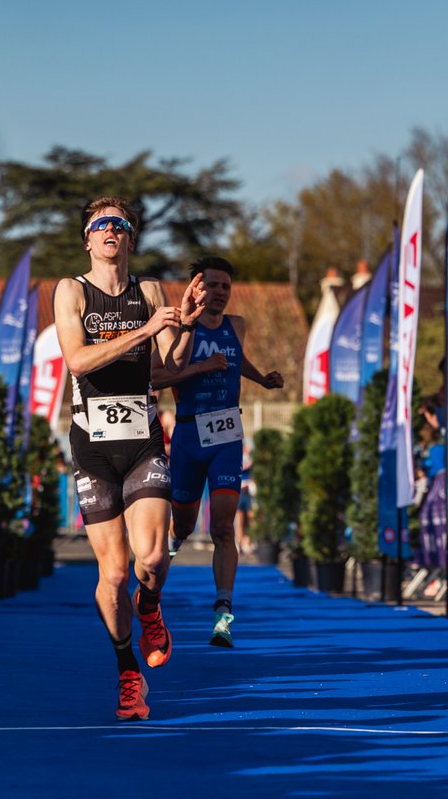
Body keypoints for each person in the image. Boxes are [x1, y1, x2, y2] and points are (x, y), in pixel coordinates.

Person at [52, 196, 206, 721]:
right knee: (113, 572)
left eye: (120, 225)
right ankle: (127, 672)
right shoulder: (71, 291)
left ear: (130, 239)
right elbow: (77, 358)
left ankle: (150, 606)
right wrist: (141, 332)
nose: (111, 231)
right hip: (92, 445)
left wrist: (184, 327)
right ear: (88, 241)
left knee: (152, 558)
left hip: (142, 437)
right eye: (101, 226)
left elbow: (167, 366)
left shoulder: (149, 291)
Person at [153, 255, 283, 648]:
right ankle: (154, 587)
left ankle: (223, 613)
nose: (220, 293)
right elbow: (159, 374)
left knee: (224, 526)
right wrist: (201, 366)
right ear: (197, 286)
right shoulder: (177, 326)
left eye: (226, 286)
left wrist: (262, 378)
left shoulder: (236, 325)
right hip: (189, 435)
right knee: (183, 526)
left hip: (227, 433)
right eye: (212, 285)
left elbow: (236, 358)